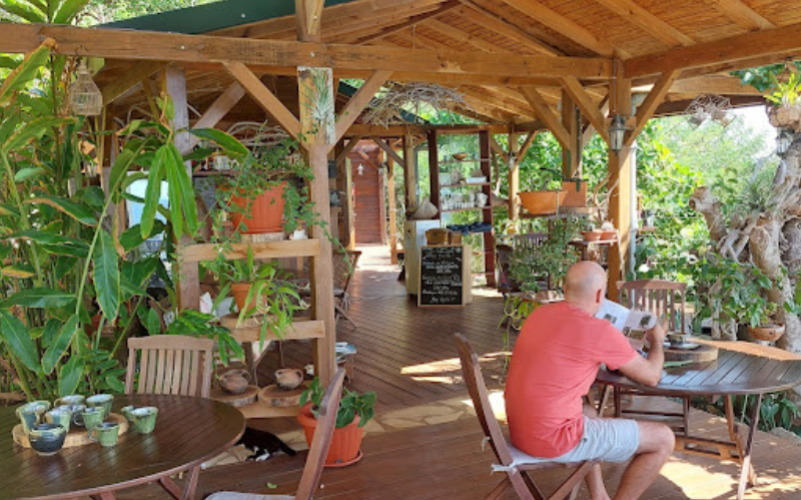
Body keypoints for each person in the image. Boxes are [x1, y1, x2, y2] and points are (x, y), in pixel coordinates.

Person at [505, 261, 674, 500]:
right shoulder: (598, 330)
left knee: (588, 411)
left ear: (565, 288)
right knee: (663, 439)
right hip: (553, 439)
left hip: (522, 430)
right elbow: (652, 376)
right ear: (599, 294)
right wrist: (657, 339)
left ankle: (599, 496)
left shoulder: (539, 314)